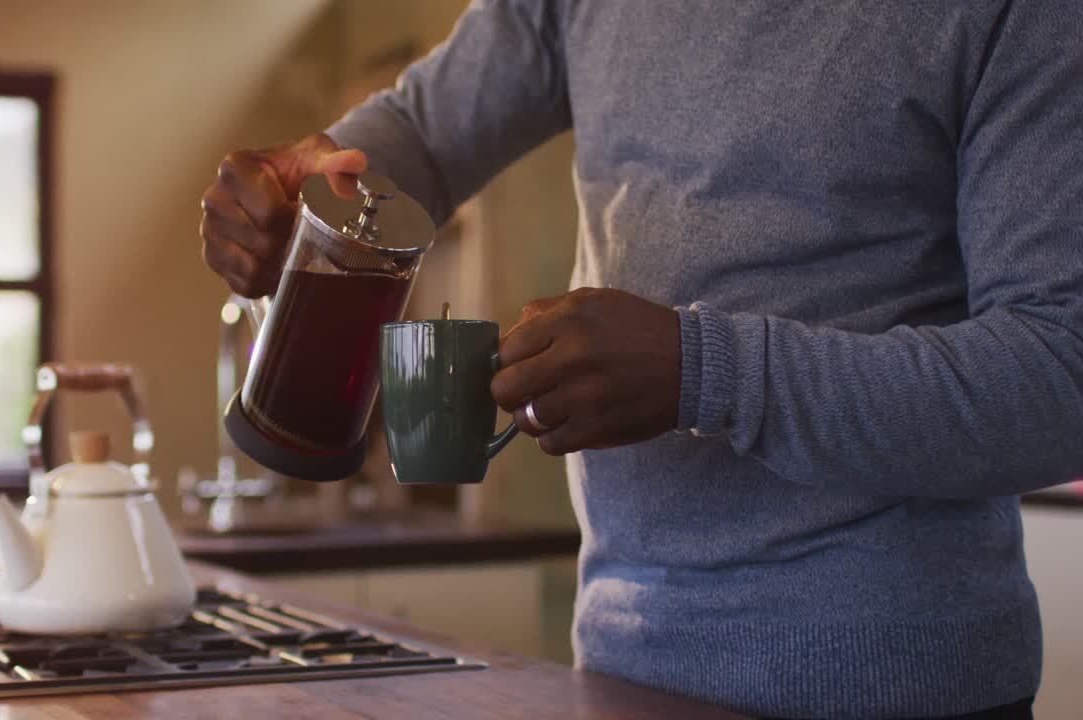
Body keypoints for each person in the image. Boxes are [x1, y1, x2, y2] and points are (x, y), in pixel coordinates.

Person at [199, 3, 1082, 718]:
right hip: (621, 668)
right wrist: (316, 191)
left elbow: (1063, 373)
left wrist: (708, 369)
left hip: (902, 684)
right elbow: (422, 139)